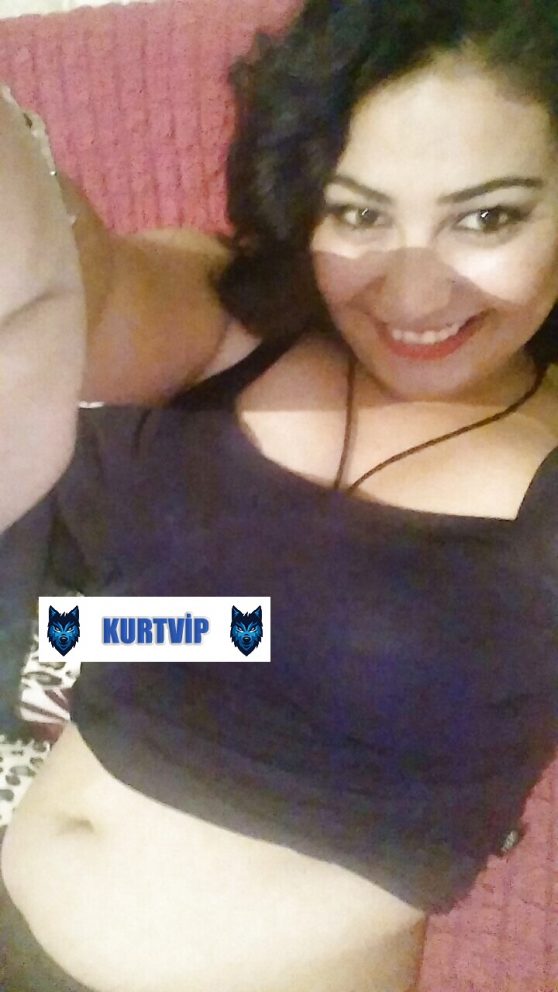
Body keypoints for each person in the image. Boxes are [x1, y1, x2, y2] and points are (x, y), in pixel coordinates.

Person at [1, 0, 558, 990]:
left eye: (487, 216)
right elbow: (80, 293)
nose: (414, 294)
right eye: (361, 213)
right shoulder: (235, 319)